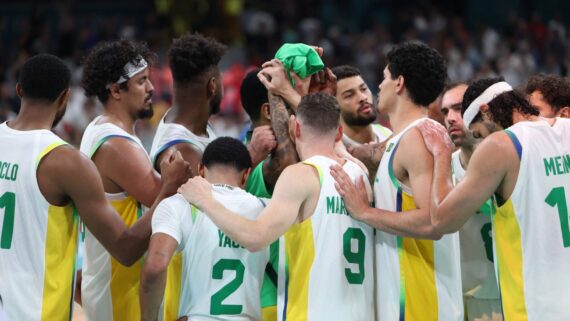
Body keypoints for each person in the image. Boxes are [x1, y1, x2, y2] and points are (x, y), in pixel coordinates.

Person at [0, 54, 189, 321]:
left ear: (19, 91)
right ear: (65, 97)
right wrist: (168, 188)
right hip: (39, 313)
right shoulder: (64, 160)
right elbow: (125, 249)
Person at [178, 93, 375, 320]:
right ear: (339, 133)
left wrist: (206, 200)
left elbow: (255, 237)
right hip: (360, 313)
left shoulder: (301, 175)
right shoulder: (359, 175)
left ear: (295, 129)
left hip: (311, 313)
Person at [331, 42, 463, 321]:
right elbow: (354, 151)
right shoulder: (401, 139)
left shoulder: (419, 138)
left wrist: (365, 212)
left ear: (399, 82)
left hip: (421, 302)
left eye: (383, 78)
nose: (378, 86)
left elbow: (431, 221)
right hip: (406, 300)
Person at [420, 76, 570, 321]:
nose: (481, 141)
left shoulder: (501, 145)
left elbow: (440, 220)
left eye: (478, 134)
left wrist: (441, 154)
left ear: (485, 110)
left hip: (534, 308)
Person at [79, 40, 165, 321]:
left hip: (108, 286)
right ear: (116, 90)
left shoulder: (99, 127)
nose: (152, 89)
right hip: (119, 296)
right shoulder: (116, 145)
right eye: (142, 82)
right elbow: (167, 200)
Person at [141, 137, 270, 321]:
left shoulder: (178, 205)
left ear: (201, 169)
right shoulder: (267, 211)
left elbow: (155, 267)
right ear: (246, 175)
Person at [440, 82, 501, 321]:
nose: (450, 118)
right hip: (464, 299)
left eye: (458, 108)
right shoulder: (443, 169)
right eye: (445, 112)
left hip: (510, 291)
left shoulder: (509, 159)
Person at [331, 65, 391, 147]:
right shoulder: (333, 150)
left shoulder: (387, 135)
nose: (363, 98)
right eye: (349, 95)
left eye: (363, 89)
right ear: (334, 105)